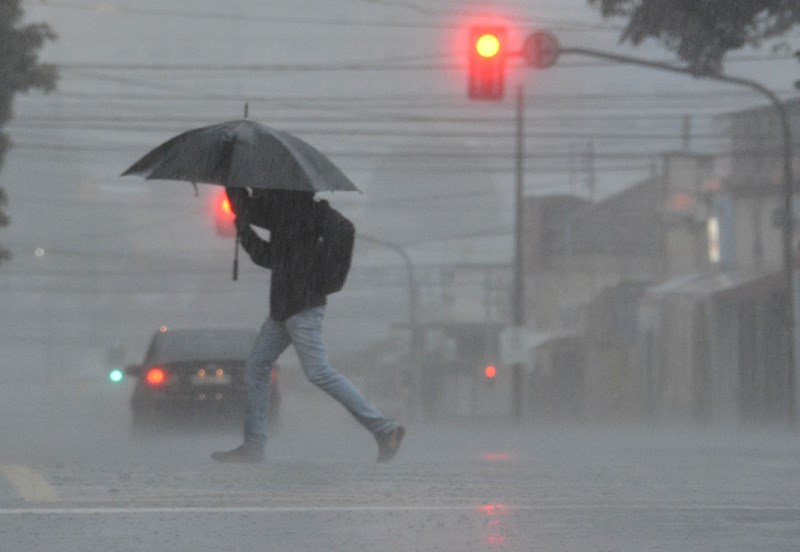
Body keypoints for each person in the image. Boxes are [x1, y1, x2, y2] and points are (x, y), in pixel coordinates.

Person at [211, 187, 404, 464]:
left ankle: (385, 429)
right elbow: (267, 256)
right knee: (258, 365)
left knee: (319, 372)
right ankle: (253, 447)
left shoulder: (308, 213)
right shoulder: (286, 216)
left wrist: (321, 277)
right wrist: (243, 226)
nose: (259, 192)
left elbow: (345, 230)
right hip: (283, 310)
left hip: (302, 307)